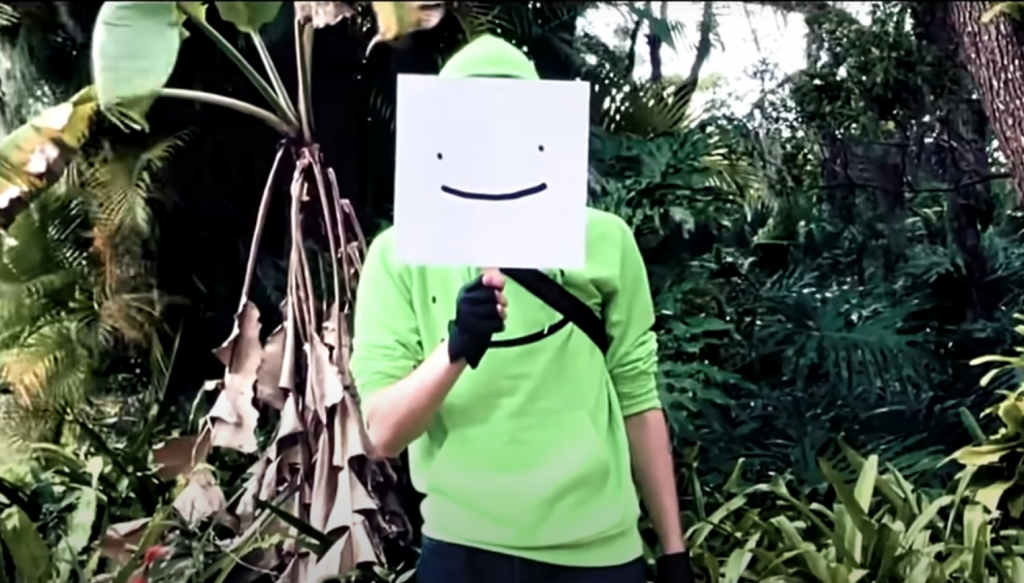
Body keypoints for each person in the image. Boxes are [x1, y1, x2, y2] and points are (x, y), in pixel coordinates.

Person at [350, 34, 695, 583]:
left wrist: (674, 551)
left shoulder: (605, 240)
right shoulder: (398, 255)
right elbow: (385, 432)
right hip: (462, 550)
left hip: (598, 553)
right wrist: (457, 347)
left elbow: (637, 397)